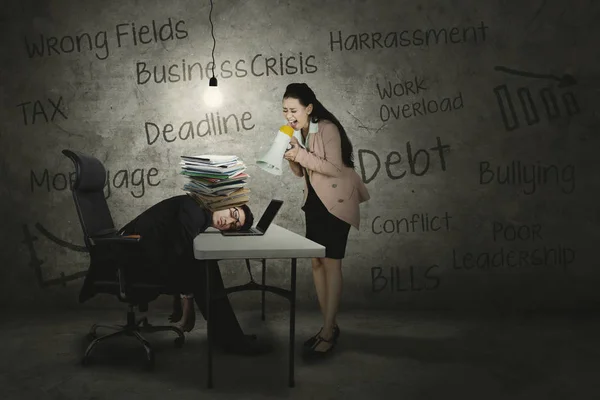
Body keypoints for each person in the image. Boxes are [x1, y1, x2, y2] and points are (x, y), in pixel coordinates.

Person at [79, 193, 269, 355]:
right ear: (227, 203)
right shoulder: (193, 211)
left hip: (135, 257)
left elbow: (176, 254)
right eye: (233, 214)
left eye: (234, 225)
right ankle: (230, 339)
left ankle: (226, 336)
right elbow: (181, 258)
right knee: (203, 266)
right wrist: (187, 305)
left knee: (203, 263)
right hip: (127, 265)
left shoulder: (199, 211)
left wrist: (183, 301)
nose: (228, 222)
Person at [281, 83, 370, 357]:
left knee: (332, 263)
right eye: (284, 110)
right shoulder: (301, 130)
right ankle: (327, 326)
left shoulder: (327, 127)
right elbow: (301, 173)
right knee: (317, 262)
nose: (288, 116)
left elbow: (332, 167)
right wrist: (291, 155)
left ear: (309, 108)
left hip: (336, 202)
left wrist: (301, 154)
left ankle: (329, 330)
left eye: (293, 110)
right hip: (315, 203)